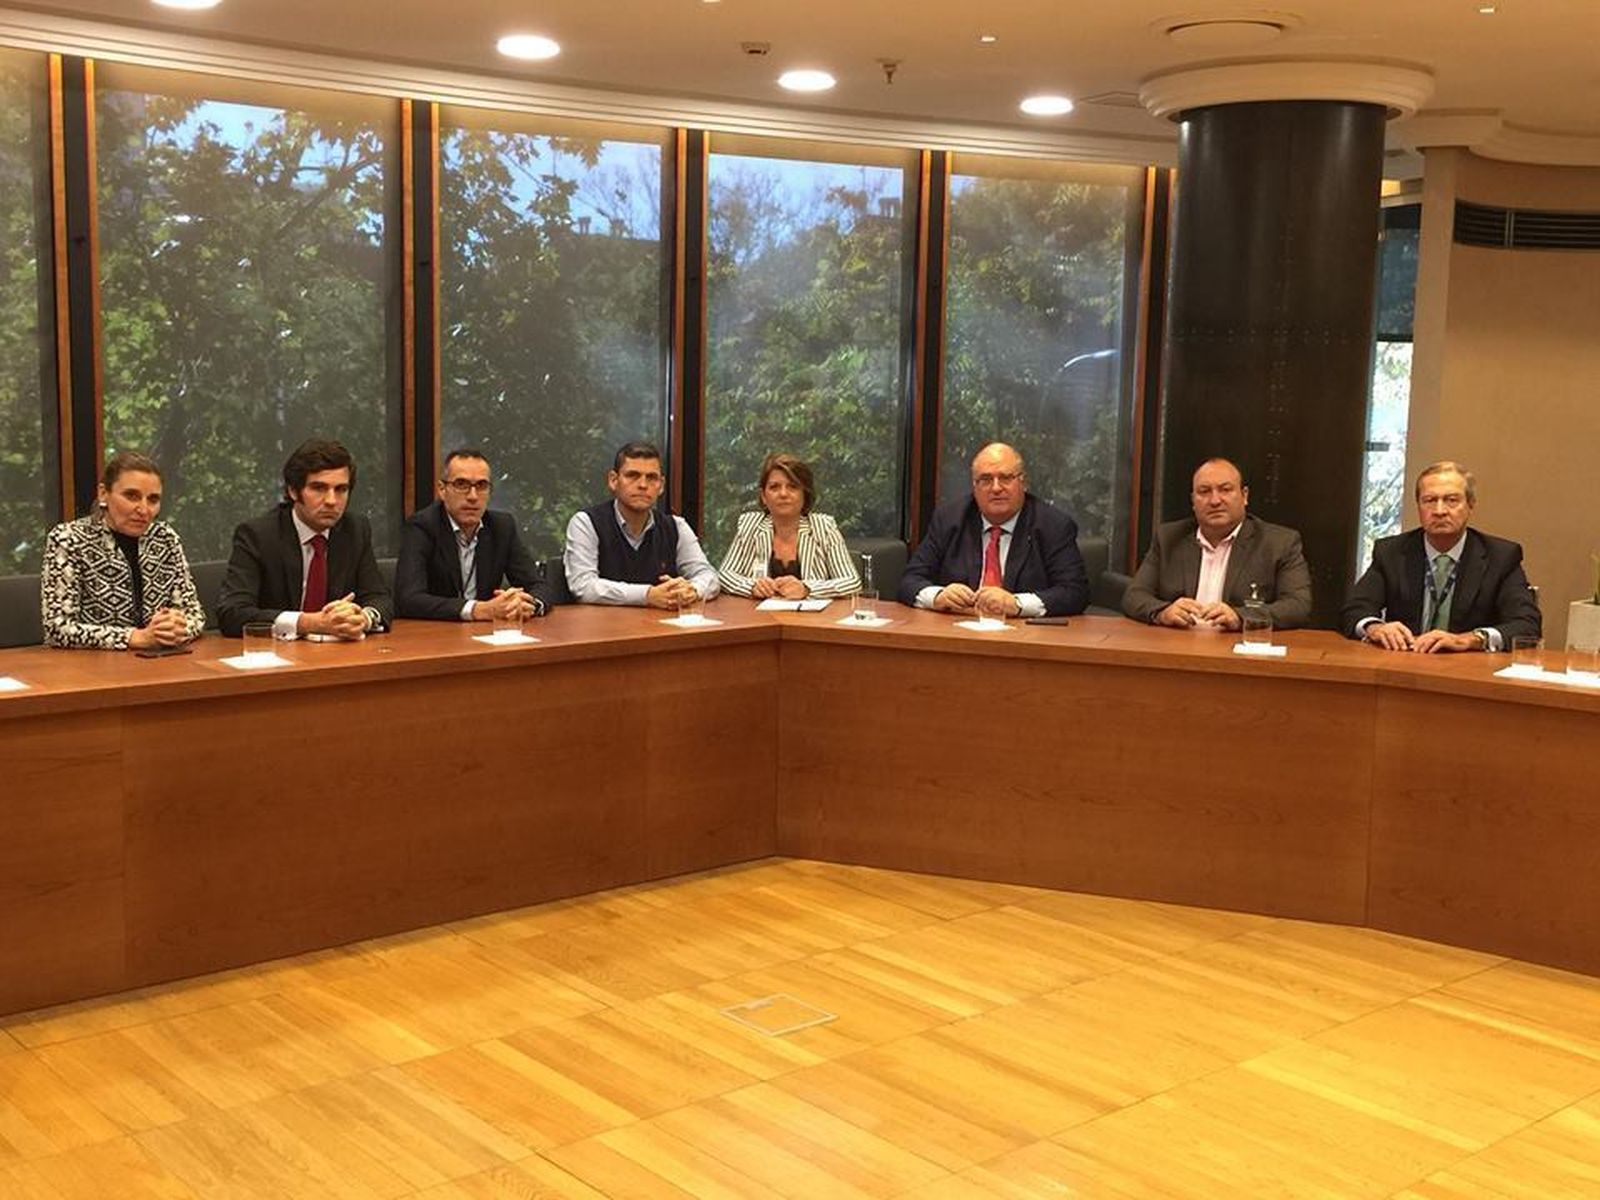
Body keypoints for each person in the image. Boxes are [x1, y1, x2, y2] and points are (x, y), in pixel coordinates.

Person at [1342, 460, 1540, 652]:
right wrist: (1375, 628)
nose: (1439, 511)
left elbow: (1527, 624)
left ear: (1470, 504)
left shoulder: (1501, 557)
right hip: (1405, 660)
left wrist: (1469, 639)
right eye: (1429, 500)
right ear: (1418, 505)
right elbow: (1355, 609)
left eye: (1451, 500)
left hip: (1468, 666)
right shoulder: (1391, 552)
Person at [217, 438, 392, 639]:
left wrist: (363, 618)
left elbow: (379, 598)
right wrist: (310, 623)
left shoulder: (355, 530)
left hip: (338, 651)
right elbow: (232, 613)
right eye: (319, 488)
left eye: (341, 489)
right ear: (293, 491)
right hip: (279, 652)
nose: (331, 501)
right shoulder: (258, 535)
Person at [898, 441, 1088, 617]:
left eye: (1005, 478)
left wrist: (1017, 604)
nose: (996, 488)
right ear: (974, 487)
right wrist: (938, 596)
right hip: (959, 627)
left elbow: (1075, 592)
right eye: (986, 479)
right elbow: (909, 580)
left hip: (1024, 633)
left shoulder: (1053, 525)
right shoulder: (949, 519)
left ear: (1023, 482)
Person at [40, 451, 205, 651]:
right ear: (103, 494)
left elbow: (195, 615)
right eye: (131, 496)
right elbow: (57, 628)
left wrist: (177, 627)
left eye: (153, 499)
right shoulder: (69, 539)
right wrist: (133, 637)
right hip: (91, 664)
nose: (144, 509)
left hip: (159, 660)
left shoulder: (165, 538)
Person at [1122, 457, 1313, 630]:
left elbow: (1298, 605)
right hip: (1179, 645)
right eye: (1204, 491)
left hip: (1238, 648)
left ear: (1245, 496)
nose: (1215, 501)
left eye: (1225, 490)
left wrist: (1240, 617)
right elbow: (1134, 596)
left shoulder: (1279, 543)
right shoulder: (1168, 538)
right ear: (1193, 501)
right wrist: (1162, 612)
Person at [394, 448, 556, 622]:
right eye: (461, 484)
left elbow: (539, 586)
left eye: (481, 486)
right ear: (442, 490)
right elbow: (409, 599)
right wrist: (476, 610)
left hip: (486, 632)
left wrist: (529, 605)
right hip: (437, 632)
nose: (472, 496)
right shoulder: (422, 527)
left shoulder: (502, 527)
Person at [563, 441, 720, 608]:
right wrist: (647, 595)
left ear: (661, 486)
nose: (643, 485)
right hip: (602, 624)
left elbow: (708, 576)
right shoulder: (586, 523)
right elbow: (583, 586)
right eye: (632, 475)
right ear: (614, 480)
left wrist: (692, 590)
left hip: (661, 623)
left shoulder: (676, 526)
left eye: (651, 478)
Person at [716, 453, 861, 600]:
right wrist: (752, 586)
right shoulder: (750, 525)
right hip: (758, 613)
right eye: (774, 487)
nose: (783, 494)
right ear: (764, 496)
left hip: (811, 614)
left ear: (805, 494)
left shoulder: (824, 527)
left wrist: (807, 589)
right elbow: (724, 576)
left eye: (793, 487)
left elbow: (852, 583)